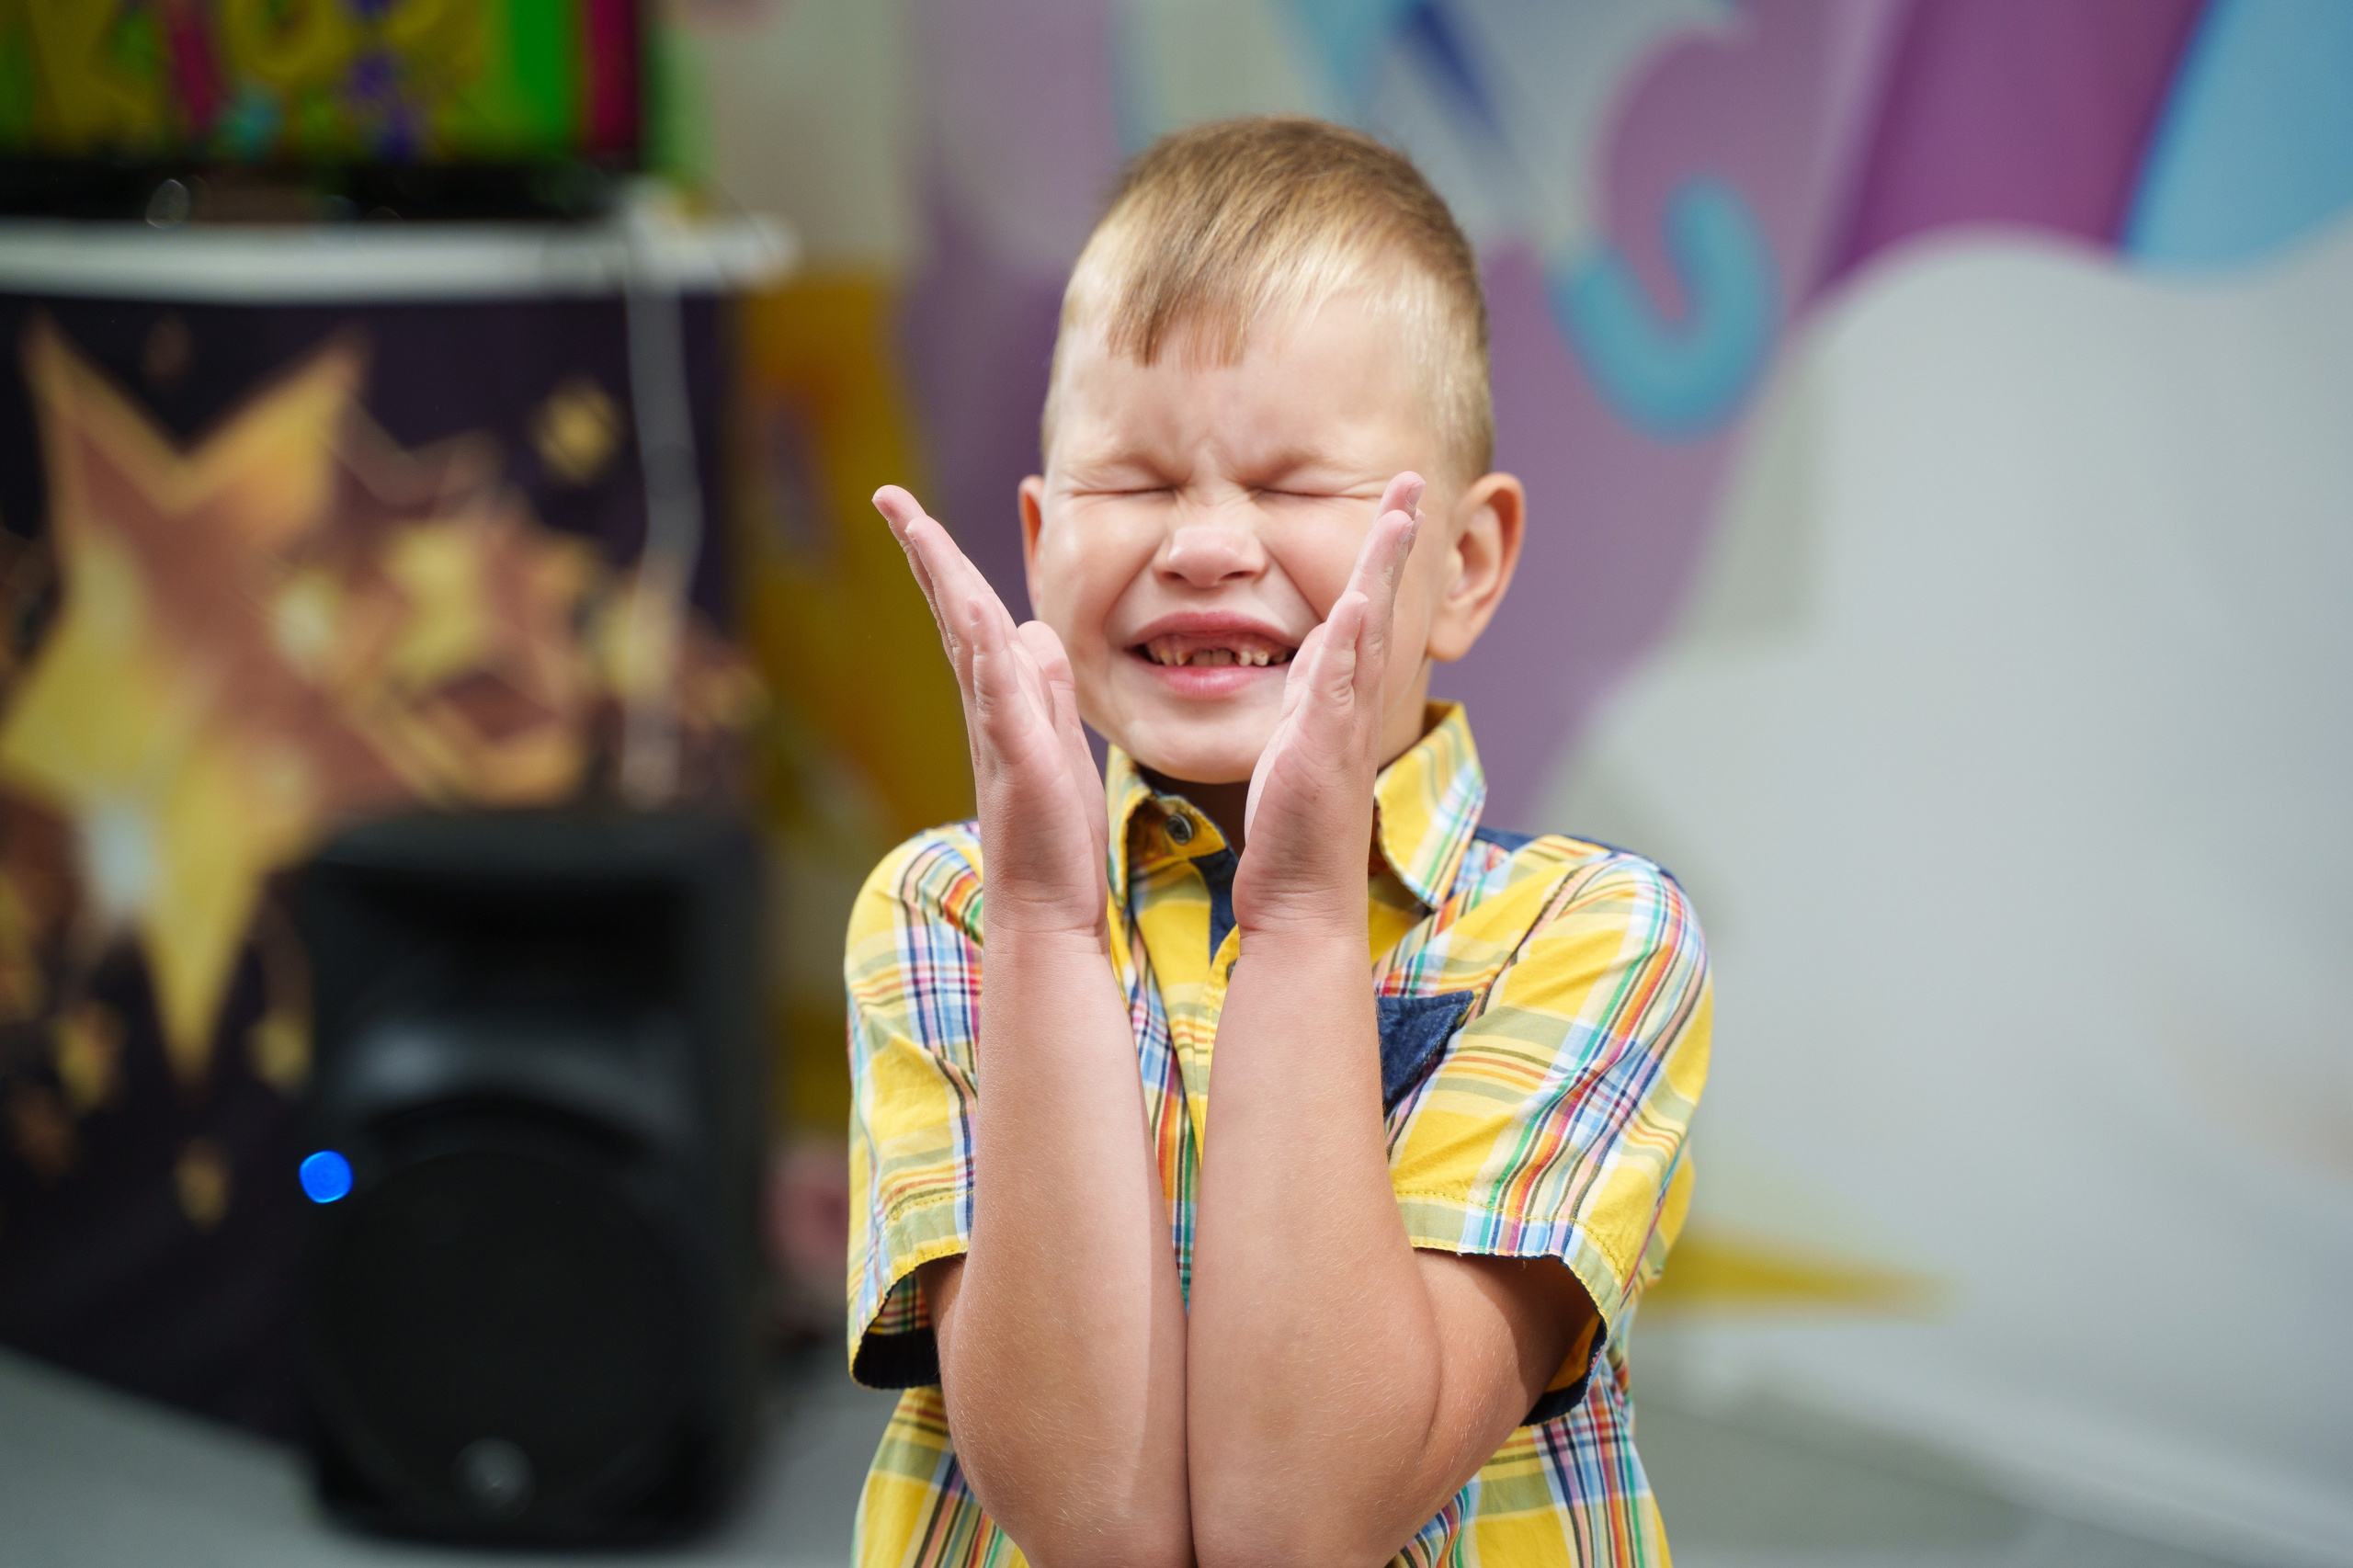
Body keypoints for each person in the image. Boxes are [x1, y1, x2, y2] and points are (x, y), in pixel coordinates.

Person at [844, 116, 1711, 1566]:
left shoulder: (1596, 936)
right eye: (1131, 483)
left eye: (1295, 483)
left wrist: (1308, 916)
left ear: (1469, 564)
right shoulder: (949, 907)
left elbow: (1296, 1523)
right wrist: (1050, 924)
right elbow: (1085, 1514)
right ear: (1043, 539)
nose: (1202, 544)